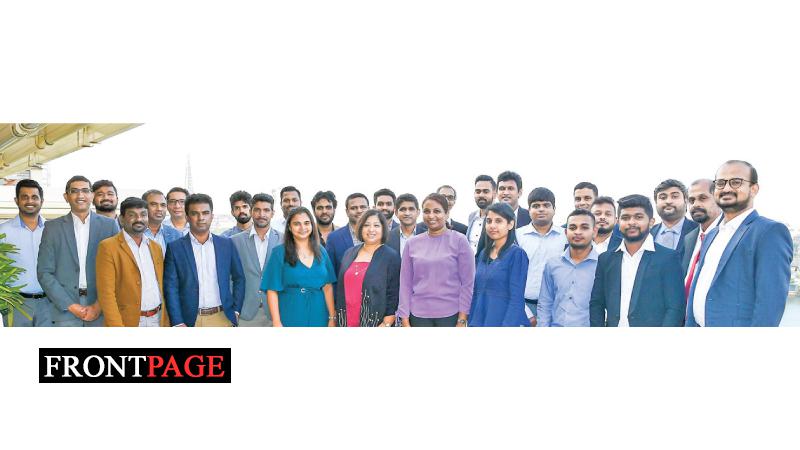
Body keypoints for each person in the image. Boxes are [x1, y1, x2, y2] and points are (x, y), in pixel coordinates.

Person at [687, 160, 793, 327]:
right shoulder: (711, 234)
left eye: (736, 182)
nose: (726, 188)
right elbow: (697, 288)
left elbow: (770, 304)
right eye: (720, 183)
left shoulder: (769, 232)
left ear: (754, 189)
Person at [589, 194, 684, 327]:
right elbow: (597, 303)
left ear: (651, 222)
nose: (631, 222)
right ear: (618, 222)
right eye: (625, 218)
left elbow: (675, 308)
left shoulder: (668, 258)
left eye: (638, 217)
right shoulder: (606, 259)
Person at [37, 175, 120, 326]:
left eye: (85, 190)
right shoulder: (52, 228)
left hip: (102, 307)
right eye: (74, 191)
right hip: (64, 309)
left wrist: (99, 305)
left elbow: (118, 270)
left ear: (92, 195)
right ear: (66, 197)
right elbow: (44, 272)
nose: (80, 195)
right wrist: (70, 305)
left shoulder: (109, 226)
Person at [164, 194, 245, 327]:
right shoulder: (175, 248)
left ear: (212, 216)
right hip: (190, 321)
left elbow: (239, 278)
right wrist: (177, 322)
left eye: (205, 213)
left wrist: (236, 310)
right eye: (195, 213)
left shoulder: (226, 244)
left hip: (222, 318)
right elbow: (171, 287)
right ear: (187, 217)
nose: (201, 218)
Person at [397, 193, 475, 327]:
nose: (431, 216)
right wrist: (404, 317)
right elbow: (405, 283)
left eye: (437, 211)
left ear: (447, 214)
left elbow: (468, 283)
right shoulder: (412, 243)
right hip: (418, 316)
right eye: (427, 211)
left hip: (450, 315)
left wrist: (462, 319)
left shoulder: (459, 240)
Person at [96, 197, 168, 327]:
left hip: (158, 319)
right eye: (132, 215)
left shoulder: (155, 247)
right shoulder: (108, 247)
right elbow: (106, 294)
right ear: (122, 219)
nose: (139, 219)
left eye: (143, 215)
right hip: (128, 321)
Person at [262, 207, 336, 327]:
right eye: (297, 224)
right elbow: (272, 290)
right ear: (289, 227)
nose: (303, 228)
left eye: (306, 223)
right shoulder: (279, 253)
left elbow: (328, 287)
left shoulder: (321, 251)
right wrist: (276, 321)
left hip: (320, 313)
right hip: (291, 312)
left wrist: (332, 317)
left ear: (312, 225)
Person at [334, 209, 400, 327]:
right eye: (366, 225)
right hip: (345, 320)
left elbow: (394, 294)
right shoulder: (349, 253)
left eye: (376, 225)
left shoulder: (391, 256)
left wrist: (387, 323)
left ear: (383, 229)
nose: (371, 229)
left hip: (376, 323)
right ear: (360, 228)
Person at [468, 203, 529, 327]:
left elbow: (516, 298)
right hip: (478, 320)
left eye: (498, 221)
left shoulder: (517, 254)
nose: (492, 226)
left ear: (510, 224)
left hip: (502, 321)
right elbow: (476, 292)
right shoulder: (483, 253)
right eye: (489, 221)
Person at [0, 179, 51, 326]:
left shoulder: (53, 229)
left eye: (34, 197)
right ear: (16, 200)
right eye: (24, 197)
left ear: (42, 201)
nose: (30, 201)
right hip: (16, 304)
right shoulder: (3, 231)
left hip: (50, 304)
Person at [515, 187, 568, 326]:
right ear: (529, 210)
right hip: (523, 305)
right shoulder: (517, 236)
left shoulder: (566, 236)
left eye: (546, 205)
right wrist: (524, 311)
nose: (541, 209)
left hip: (557, 307)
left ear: (554, 209)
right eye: (536, 206)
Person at [538, 209, 599, 327]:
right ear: (566, 232)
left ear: (594, 232)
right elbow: (545, 303)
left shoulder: (602, 265)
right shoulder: (552, 264)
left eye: (584, 227)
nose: (578, 232)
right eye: (573, 227)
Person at [231, 193, 282, 327]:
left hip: (277, 312)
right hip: (245, 313)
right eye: (257, 210)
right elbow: (230, 277)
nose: (261, 214)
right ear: (251, 211)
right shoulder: (235, 241)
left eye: (266, 210)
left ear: (272, 213)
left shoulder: (284, 240)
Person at [682, 179, 722, 289]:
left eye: (703, 198)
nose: (696, 204)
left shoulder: (730, 233)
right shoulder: (689, 238)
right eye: (691, 200)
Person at [326, 193, 369, 275]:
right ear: (347, 212)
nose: (359, 211)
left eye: (363, 207)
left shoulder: (378, 236)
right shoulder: (334, 238)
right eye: (353, 208)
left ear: (369, 209)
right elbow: (330, 273)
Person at [650, 179, 699, 252]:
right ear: (656, 202)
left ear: (686, 201)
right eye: (663, 197)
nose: (668, 201)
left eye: (675, 196)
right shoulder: (648, 234)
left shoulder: (699, 230)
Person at [142, 189, 182, 256]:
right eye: (154, 204)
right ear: (143, 207)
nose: (159, 209)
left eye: (163, 205)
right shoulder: (132, 233)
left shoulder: (176, 235)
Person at [466, 175, 497, 253]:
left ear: (494, 194)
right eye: (478, 191)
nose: (481, 195)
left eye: (485, 191)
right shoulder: (472, 216)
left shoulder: (500, 217)